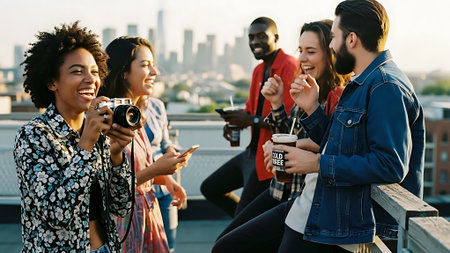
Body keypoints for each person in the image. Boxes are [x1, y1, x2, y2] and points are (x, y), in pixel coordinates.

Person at [216, 19, 350, 241]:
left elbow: (330, 148)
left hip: (301, 201)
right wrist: (277, 103)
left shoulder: (339, 98)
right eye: (301, 50)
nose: (302, 58)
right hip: (280, 189)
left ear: (330, 53)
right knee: (226, 239)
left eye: (311, 51)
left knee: (230, 244)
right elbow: (290, 133)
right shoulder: (304, 86)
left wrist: (282, 145)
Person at [14, 22, 135, 252]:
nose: (91, 79)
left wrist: (117, 154)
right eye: (77, 71)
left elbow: (121, 206)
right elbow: (56, 214)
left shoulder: (99, 131)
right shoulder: (34, 135)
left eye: (95, 71)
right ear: (52, 82)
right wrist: (86, 144)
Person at [201, 16, 299, 217]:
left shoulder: (290, 66)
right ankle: (243, 219)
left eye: (262, 36)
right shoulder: (258, 70)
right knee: (210, 188)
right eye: (251, 37)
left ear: (276, 37)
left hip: (269, 157)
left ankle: (243, 222)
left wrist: (251, 120)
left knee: (240, 225)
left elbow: (289, 124)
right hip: (251, 154)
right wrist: (236, 120)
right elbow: (251, 110)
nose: (255, 42)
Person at [98, 36, 188, 252]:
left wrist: (166, 179)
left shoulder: (134, 115)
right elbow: (109, 188)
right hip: (123, 223)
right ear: (124, 72)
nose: (155, 72)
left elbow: (135, 171)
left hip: (146, 214)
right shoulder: (105, 117)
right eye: (146, 65)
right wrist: (158, 169)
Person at [145, 96, 183, 252]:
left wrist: (173, 154)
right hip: (144, 187)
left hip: (165, 186)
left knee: (168, 245)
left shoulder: (156, 105)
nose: (154, 72)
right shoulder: (122, 108)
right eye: (146, 69)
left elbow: (165, 142)